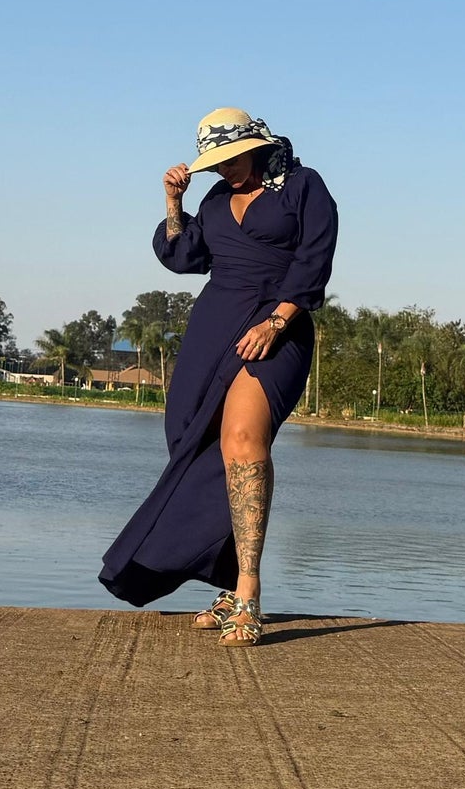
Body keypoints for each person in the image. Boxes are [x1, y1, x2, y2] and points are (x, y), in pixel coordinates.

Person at [98, 107, 338, 642]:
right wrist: (173, 204)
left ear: (255, 145)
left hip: (277, 325)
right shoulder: (210, 200)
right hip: (214, 328)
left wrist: (278, 320)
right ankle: (227, 585)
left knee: (243, 441)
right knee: (196, 447)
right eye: (217, 163)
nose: (225, 170)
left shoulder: (303, 186)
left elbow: (315, 259)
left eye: (230, 158)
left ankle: (249, 590)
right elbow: (184, 258)